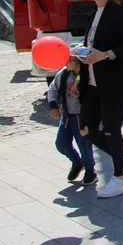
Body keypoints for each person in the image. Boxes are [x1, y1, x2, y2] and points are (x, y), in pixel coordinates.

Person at [77, 0, 123, 198]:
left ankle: (120, 179)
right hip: (92, 82)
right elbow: (94, 46)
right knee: (86, 129)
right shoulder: (94, 14)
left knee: (112, 130)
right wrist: (81, 52)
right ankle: (122, 159)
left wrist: (103, 55)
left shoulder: (119, 13)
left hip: (115, 82)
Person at [48, 55, 97, 186]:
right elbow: (52, 89)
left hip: (83, 117)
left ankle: (90, 171)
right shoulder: (63, 74)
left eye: (70, 60)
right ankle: (77, 162)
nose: (66, 62)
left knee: (84, 146)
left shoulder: (88, 74)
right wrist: (53, 106)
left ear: (78, 62)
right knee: (61, 144)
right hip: (67, 117)